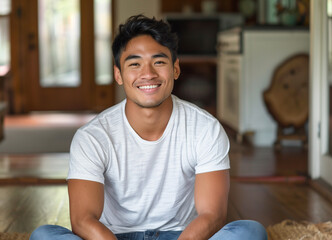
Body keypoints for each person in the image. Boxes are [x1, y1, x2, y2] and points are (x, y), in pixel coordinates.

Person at [30, 14, 268, 240]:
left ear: (175, 68)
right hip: (113, 236)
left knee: (248, 232)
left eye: (159, 61)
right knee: (44, 235)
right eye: (135, 64)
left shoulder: (205, 128)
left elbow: (212, 215)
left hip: (182, 235)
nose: (148, 74)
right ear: (118, 74)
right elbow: (83, 219)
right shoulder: (93, 136)